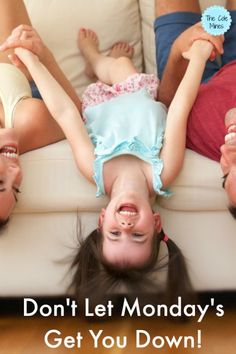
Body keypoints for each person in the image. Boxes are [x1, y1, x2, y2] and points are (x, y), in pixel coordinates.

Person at [9, 27, 219, 305]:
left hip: (97, 104)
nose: (126, 224)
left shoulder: (94, 169)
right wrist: (198, 59)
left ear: (102, 219)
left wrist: (32, 62)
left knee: (112, 67)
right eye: (138, 235)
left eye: (115, 233)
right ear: (156, 224)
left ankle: (93, 58)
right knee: (122, 66)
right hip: (137, 91)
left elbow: (65, 113)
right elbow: (179, 110)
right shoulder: (163, 171)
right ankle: (100, 62)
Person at [0, 0, 81, 226]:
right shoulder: (27, 122)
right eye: (16, 188)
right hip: (7, 58)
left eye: (0, 182)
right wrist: (43, 56)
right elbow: (74, 113)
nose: (16, 172)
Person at [154, 0, 236, 218]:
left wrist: (179, 50)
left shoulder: (201, 140)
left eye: (225, 175)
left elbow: (168, 105)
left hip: (191, 71)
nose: (225, 155)